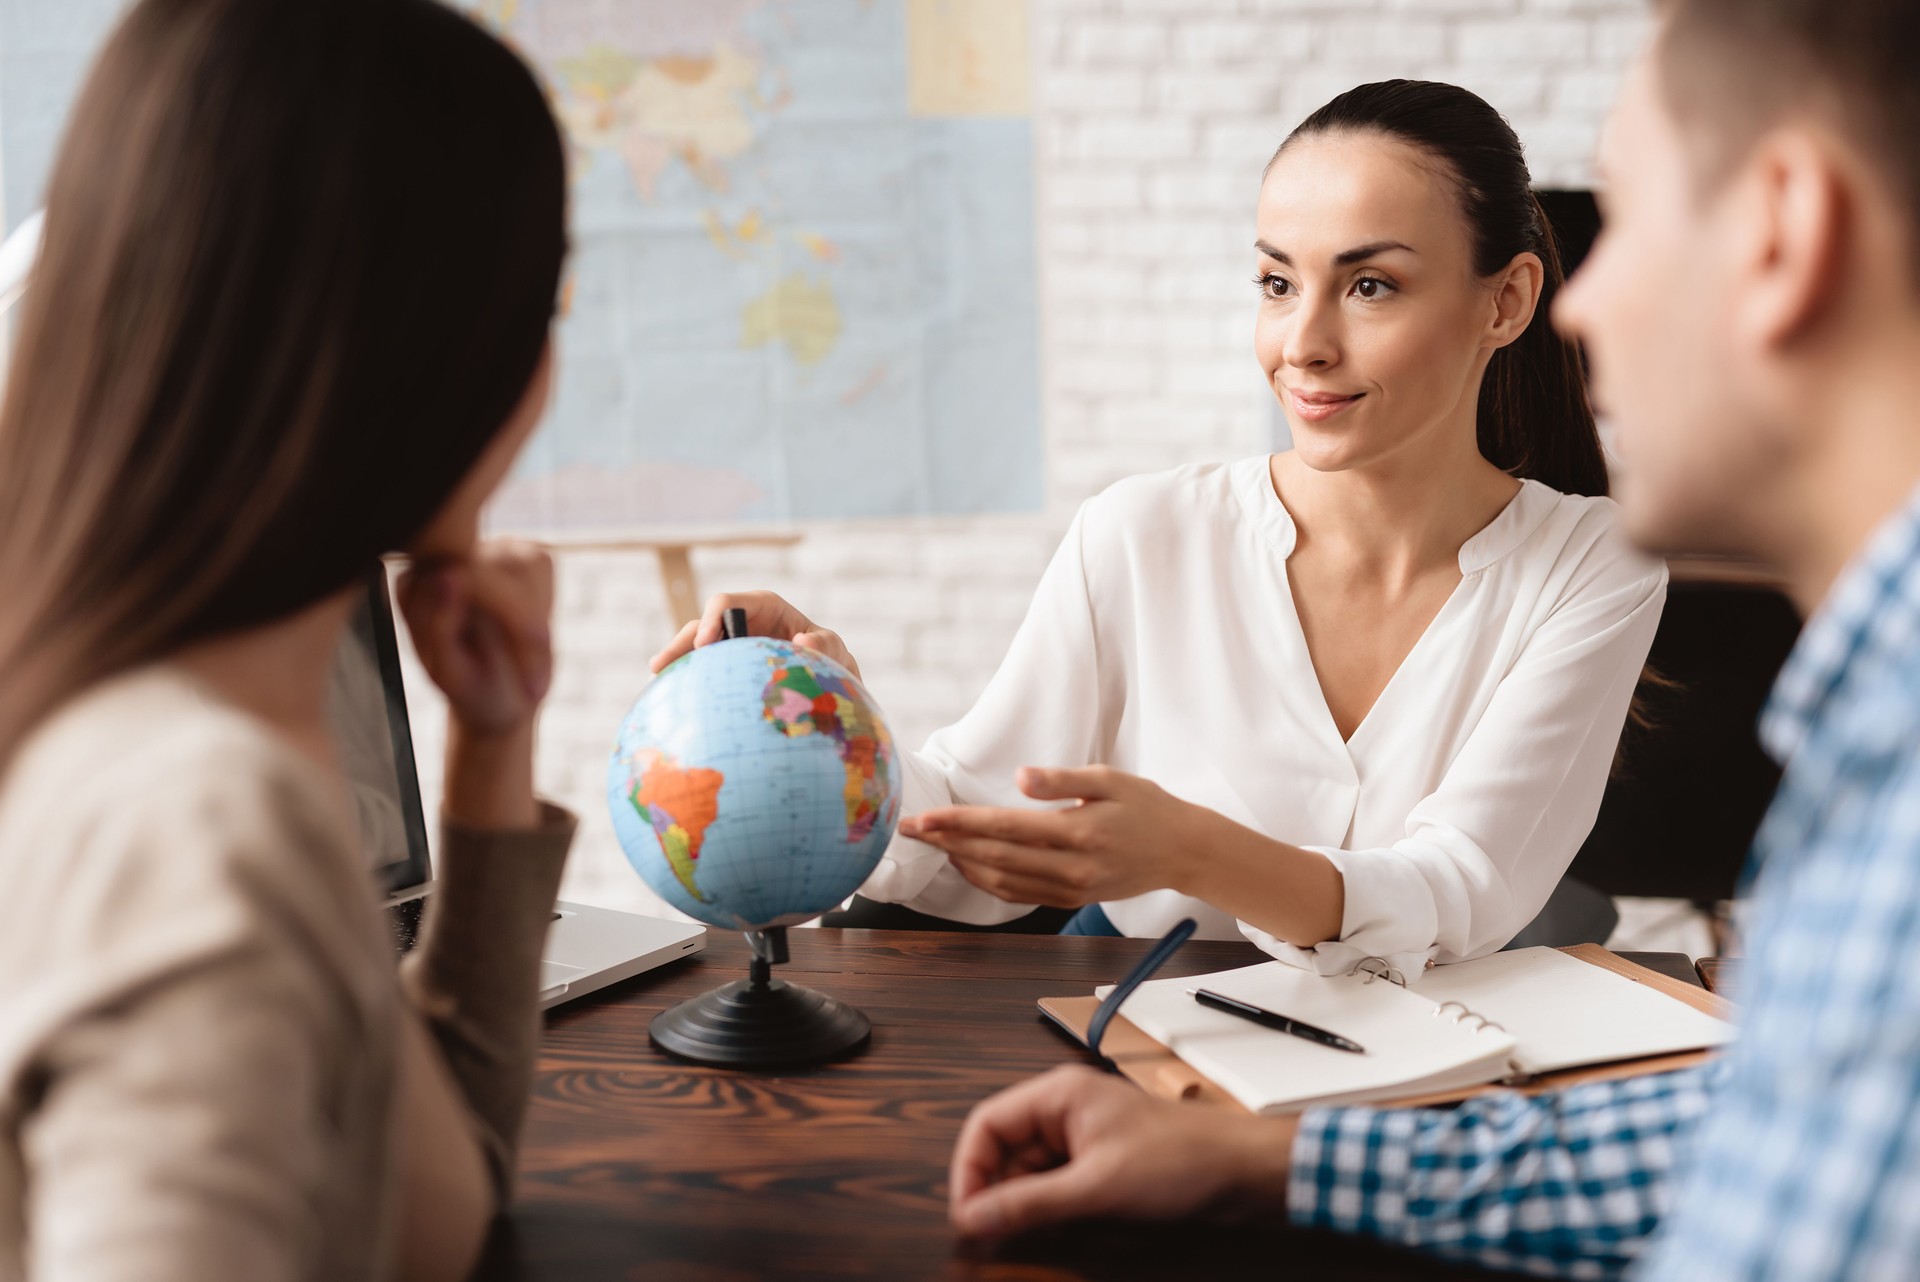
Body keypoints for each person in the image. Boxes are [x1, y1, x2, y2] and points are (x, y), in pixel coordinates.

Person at [947, 0, 1920, 1276]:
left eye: (1630, 222)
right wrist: (1268, 1164)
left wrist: (1191, 847)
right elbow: (1758, 1127)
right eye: (1276, 279)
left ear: (1788, 229)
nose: (1590, 308)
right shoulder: (1871, 738)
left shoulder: (1865, 768)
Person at [653, 81, 1666, 975]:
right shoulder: (1143, 532)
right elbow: (978, 823)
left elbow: (1460, 891)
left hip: (1424, 1093)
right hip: (1151, 1056)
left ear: (1508, 302)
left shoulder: (1593, 564)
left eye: (1370, 286)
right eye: (1277, 283)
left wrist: (1189, 851)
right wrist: (836, 725)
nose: (1301, 345)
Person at [0, 0, 573, 1278]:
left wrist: (494, 741)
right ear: (430, 355)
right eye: (547, 298)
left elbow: (428, 1189)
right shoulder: (201, 826)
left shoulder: (155, 731)